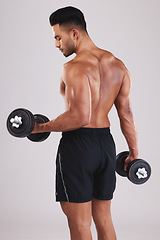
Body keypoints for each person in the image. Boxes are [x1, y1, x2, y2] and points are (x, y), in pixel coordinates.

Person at [32, 6, 138, 240]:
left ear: (74, 33)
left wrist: (40, 127)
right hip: (106, 147)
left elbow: (80, 116)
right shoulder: (118, 65)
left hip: (79, 147)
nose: (57, 44)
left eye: (58, 37)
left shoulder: (73, 67)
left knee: (80, 224)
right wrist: (133, 152)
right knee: (104, 218)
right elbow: (126, 114)